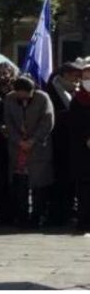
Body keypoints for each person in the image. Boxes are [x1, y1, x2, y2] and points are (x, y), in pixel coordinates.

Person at [3, 76, 55, 228]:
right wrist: (18, 140)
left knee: (39, 185)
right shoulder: (10, 99)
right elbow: (8, 123)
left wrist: (33, 140)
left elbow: (48, 121)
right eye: (22, 93)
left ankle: (37, 217)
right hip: (17, 147)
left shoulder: (43, 98)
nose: (26, 97)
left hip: (38, 147)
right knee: (20, 184)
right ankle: (21, 217)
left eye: (29, 93)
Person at [46, 60, 83, 226]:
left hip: (74, 143)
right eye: (74, 75)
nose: (77, 79)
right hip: (56, 142)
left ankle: (69, 211)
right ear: (64, 75)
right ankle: (56, 214)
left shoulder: (76, 91)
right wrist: (71, 115)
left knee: (71, 180)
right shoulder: (50, 90)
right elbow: (50, 115)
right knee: (58, 180)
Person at [0, 63, 17, 225]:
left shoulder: (17, 90)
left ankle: (14, 211)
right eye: (0, 73)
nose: (3, 76)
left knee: (14, 177)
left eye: (6, 73)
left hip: (15, 138)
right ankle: (0, 211)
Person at [69, 62, 90, 232]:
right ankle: (83, 219)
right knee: (83, 186)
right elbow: (73, 124)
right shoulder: (77, 100)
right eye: (86, 76)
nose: (88, 79)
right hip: (82, 149)